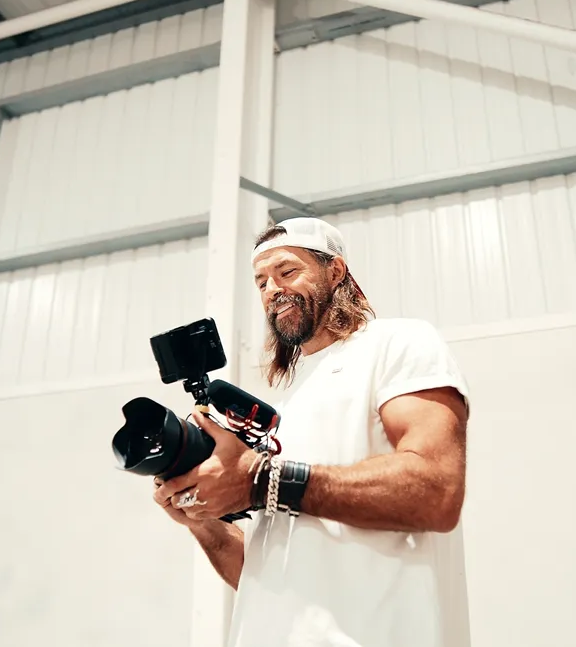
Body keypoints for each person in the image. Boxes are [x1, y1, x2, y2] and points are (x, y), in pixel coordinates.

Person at [152, 217, 471, 647]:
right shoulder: (288, 402)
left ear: (334, 271)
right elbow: (261, 577)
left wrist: (260, 481)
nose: (272, 289)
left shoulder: (398, 342)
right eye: (261, 282)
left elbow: (436, 492)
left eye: (287, 271)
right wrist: (201, 518)